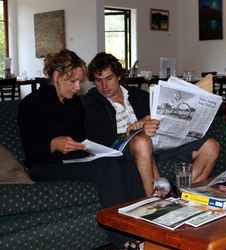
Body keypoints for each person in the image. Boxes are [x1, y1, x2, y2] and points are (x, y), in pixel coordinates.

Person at [18, 49, 144, 209]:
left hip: (75, 159)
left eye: (80, 81)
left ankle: (141, 218)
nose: (78, 87)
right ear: (57, 77)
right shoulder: (32, 103)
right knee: (106, 166)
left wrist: (92, 147)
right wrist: (53, 144)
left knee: (124, 161)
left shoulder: (74, 103)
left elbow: (83, 137)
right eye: (73, 81)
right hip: (45, 165)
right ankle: (120, 229)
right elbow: (31, 152)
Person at [83, 52, 220, 196]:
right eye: (98, 80)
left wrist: (154, 120)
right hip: (131, 148)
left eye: (109, 78)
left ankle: (184, 195)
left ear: (118, 76)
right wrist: (134, 130)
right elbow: (100, 140)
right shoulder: (91, 103)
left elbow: (160, 116)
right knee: (142, 141)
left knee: (211, 146)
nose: (104, 85)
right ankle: (154, 200)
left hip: (160, 142)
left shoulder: (138, 95)